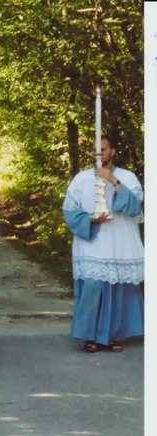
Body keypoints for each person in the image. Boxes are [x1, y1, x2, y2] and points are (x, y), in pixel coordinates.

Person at [62, 136, 143, 353]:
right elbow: (69, 210)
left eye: (103, 149)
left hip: (119, 241)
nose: (99, 154)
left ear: (113, 151)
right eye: (95, 150)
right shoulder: (81, 178)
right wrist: (90, 218)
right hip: (93, 241)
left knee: (117, 288)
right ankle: (91, 336)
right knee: (92, 286)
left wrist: (114, 181)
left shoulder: (128, 177)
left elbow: (136, 208)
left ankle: (113, 336)